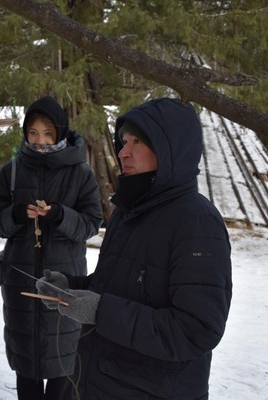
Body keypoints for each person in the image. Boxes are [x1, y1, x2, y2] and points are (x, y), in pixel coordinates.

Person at [36, 98, 232, 400]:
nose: (123, 152)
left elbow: (196, 329)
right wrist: (70, 289)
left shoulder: (197, 222)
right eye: (123, 141)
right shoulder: (130, 210)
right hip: (102, 382)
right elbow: (116, 286)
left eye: (137, 142)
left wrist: (100, 311)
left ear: (170, 150)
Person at [0, 96, 103, 400]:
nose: (40, 141)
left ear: (60, 133)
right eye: (33, 133)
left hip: (64, 282)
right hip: (20, 283)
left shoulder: (80, 173)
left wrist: (60, 215)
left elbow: (91, 223)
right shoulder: (11, 171)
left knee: (63, 363)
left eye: (48, 133)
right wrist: (14, 214)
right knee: (26, 365)